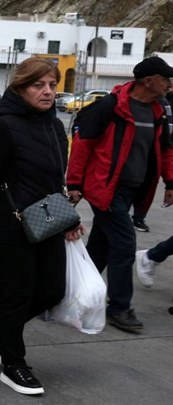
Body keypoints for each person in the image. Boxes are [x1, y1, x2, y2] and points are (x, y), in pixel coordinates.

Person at [0, 57, 84, 396]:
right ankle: (14, 364)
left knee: (52, 291)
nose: (47, 92)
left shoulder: (54, 125)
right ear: (21, 87)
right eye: (38, 85)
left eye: (51, 85)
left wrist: (70, 218)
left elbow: (54, 178)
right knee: (18, 294)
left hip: (49, 219)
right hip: (9, 223)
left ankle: (0, 327)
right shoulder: (3, 123)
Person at [67, 56, 173, 332]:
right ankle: (119, 308)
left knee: (99, 249)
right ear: (149, 81)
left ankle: (69, 295)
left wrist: (170, 182)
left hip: (130, 190)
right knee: (125, 245)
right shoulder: (111, 107)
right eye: (166, 79)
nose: (169, 84)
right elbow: (83, 145)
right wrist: (74, 183)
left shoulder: (157, 110)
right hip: (105, 188)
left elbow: (164, 149)